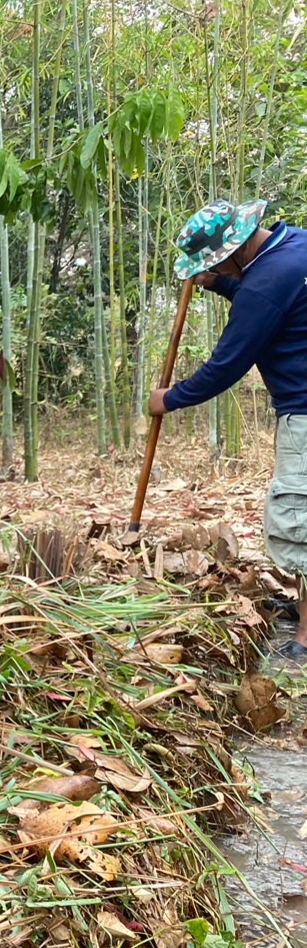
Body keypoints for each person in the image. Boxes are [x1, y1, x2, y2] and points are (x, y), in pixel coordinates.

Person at [150, 198, 307, 658]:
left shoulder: (263, 286)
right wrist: (220, 284)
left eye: (217, 262)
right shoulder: (293, 245)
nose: (217, 268)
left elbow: (227, 364)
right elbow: (275, 301)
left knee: (300, 519)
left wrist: (171, 398)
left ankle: (305, 637)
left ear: (235, 249)